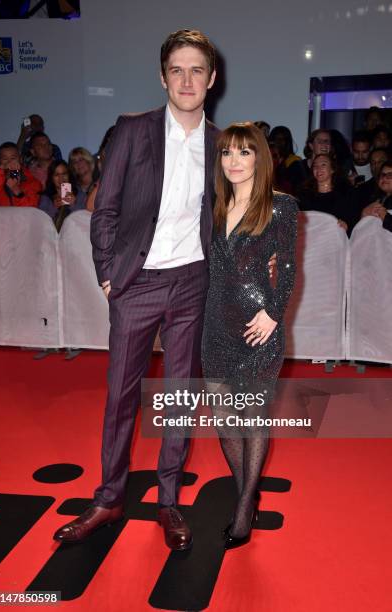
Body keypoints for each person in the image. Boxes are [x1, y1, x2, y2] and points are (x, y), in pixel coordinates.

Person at [52, 28, 219, 551]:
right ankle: (108, 498)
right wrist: (109, 275)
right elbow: (105, 209)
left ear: (212, 79)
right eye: (177, 70)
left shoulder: (225, 144)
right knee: (121, 396)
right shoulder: (132, 130)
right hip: (136, 283)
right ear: (162, 77)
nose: (187, 80)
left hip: (193, 283)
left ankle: (167, 501)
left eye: (197, 70)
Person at [201, 122, 298, 549]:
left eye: (243, 153)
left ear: (260, 156)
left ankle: (243, 511)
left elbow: (291, 268)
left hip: (259, 326)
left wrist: (274, 315)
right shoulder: (214, 205)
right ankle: (247, 490)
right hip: (215, 324)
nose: (234, 162)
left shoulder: (281, 206)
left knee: (252, 417)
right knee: (224, 420)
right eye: (227, 153)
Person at [298, 153, 352, 233]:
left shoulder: (345, 193)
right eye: (315, 166)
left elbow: (352, 219)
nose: (318, 168)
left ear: (332, 169)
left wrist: (347, 225)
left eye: (323, 165)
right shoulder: (305, 196)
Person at [0, 141, 42, 207]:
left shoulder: (33, 182)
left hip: (20, 217)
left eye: (13, 158)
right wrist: (0, 170)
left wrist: (16, 190)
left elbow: (31, 209)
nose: (9, 162)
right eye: (5, 159)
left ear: (20, 159)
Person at [38, 160, 86, 231]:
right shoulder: (46, 197)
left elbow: (85, 219)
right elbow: (41, 222)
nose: (61, 178)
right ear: (51, 178)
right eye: (57, 175)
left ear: (69, 175)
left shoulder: (79, 194)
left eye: (64, 174)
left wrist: (73, 205)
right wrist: (54, 208)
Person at [269, 125, 306, 195]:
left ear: (287, 142)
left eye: (282, 139)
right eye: (275, 139)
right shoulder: (264, 160)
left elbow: (298, 189)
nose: (278, 142)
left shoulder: (295, 162)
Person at [360, 160, 392, 233]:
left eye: (390, 175)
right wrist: (363, 215)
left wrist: (386, 217)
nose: (384, 178)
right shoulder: (371, 198)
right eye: (382, 175)